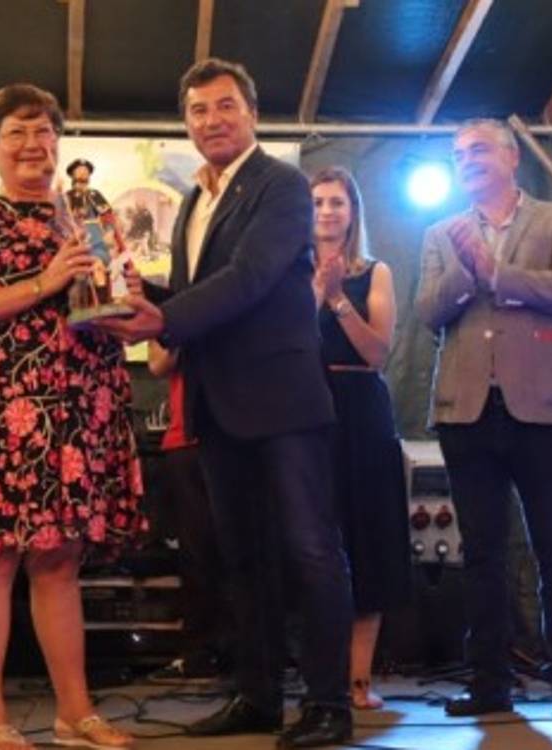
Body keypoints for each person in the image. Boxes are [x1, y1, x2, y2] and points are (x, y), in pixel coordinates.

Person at [95, 58, 354, 749]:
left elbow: (251, 275)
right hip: (217, 403)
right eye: (198, 110)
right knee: (242, 557)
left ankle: (329, 704)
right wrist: (132, 295)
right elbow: (196, 289)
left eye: (224, 106)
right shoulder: (191, 201)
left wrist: (163, 319)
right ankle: (258, 696)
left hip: (283, 399)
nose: (211, 120)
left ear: (252, 114)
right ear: (186, 123)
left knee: (310, 551)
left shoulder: (282, 184)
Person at [0, 83, 145, 750]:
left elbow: (118, 309)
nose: (33, 144)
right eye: (17, 132)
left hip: (81, 402)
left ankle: (74, 713)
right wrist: (43, 282)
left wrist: (128, 305)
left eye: (43, 132)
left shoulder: (88, 214)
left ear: (59, 144)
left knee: (59, 560)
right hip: (4, 408)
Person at [414, 118, 552, 718]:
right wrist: (468, 272)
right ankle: (489, 681)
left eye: (478, 149)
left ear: (511, 156)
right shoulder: (441, 232)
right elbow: (427, 310)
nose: (466, 159)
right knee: (482, 554)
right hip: (466, 410)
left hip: (541, 405)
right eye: (457, 154)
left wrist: (499, 275)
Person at [310, 167, 410, 711]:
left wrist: (337, 300)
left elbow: (377, 352)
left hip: (362, 410)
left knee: (367, 536)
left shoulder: (376, 272)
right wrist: (313, 293)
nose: (327, 212)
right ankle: (319, 679)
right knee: (315, 540)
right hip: (308, 411)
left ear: (353, 212)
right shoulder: (289, 269)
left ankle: (359, 680)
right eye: (318, 202)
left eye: (337, 203)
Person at [145, 341, 229, 681]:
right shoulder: (171, 313)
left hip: (237, 433)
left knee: (244, 550)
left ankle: (250, 651)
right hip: (186, 438)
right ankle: (199, 653)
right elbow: (157, 365)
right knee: (196, 552)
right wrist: (183, 329)